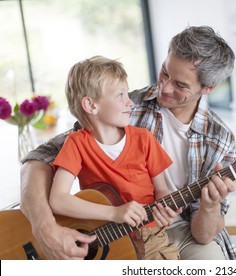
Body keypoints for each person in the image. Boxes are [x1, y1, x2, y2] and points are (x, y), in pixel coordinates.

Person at [20, 25, 236, 260]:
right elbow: (38, 159)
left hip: (185, 233)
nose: (164, 88)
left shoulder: (220, 139)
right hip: (113, 232)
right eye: (164, 72)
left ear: (207, 88)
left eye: (180, 85)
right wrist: (44, 227)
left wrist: (210, 205)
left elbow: (203, 234)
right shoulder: (122, 108)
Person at [48, 55, 179, 260]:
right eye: (120, 95)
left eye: (127, 93)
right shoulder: (76, 143)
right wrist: (114, 213)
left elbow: (162, 189)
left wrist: (165, 208)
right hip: (107, 240)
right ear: (91, 105)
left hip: (150, 238)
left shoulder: (143, 139)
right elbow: (58, 200)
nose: (130, 102)